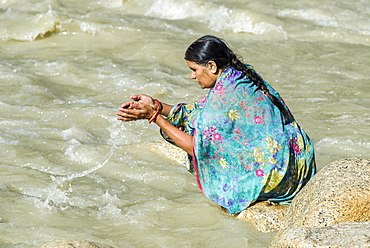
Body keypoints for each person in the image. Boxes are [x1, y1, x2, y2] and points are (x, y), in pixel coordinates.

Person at [116, 35, 316, 215]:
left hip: (282, 175)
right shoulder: (237, 76)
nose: (192, 76)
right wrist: (157, 105)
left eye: (194, 70)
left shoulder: (224, 94)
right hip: (299, 160)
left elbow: (198, 148)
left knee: (211, 152)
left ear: (211, 66)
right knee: (201, 128)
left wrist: (155, 117)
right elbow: (198, 112)